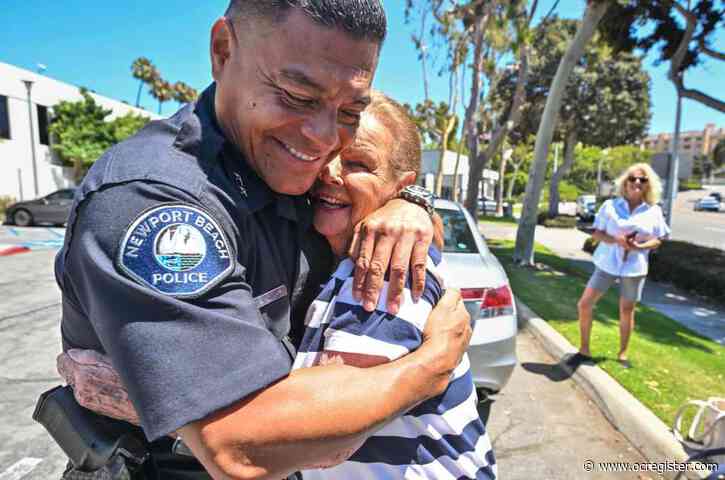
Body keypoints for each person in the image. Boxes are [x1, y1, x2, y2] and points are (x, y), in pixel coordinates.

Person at [50, 2, 471, 479]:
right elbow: (242, 449)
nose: (323, 139)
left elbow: (371, 185)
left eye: (350, 110)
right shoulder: (155, 201)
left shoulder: (287, 169)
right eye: (297, 95)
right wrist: (429, 371)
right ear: (223, 50)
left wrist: (410, 201)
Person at [569, 163, 669, 369]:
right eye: (633, 178)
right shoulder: (610, 206)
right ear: (625, 182)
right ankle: (584, 350)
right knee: (585, 304)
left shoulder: (654, 211)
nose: (637, 183)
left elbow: (659, 239)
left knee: (627, 309)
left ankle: (623, 354)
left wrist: (638, 246)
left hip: (635, 266)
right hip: (607, 263)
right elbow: (596, 232)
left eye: (643, 180)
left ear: (649, 185)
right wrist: (617, 241)